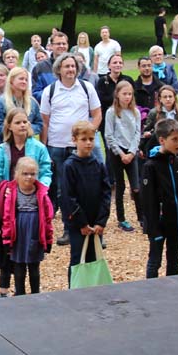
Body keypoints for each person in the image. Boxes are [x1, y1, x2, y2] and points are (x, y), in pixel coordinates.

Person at [0, 107, 52, 296]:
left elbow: (46, 171)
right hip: (10, 201)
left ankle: (31, 290)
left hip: (33, 198)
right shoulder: (3, 149)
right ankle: (6, 288)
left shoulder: (38, 148)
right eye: (18, 122)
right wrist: (4, 191)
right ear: (9, 126)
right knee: (8, 245)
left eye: (25, 121)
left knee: (31, 247)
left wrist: (42, 188)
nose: (22, 125)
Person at [40, 52, 102, 244]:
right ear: (59, 69)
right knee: (63, 190)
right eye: (66, 66)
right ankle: (69, 229)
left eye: (73, 66)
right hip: (57, 145)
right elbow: (45, 121)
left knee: (89, 188)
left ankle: (95, 229)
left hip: (82, 148)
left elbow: (97, 114)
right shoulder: (50, 91)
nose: (70, 69)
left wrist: (89, 134)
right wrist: (44, 146)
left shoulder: (86, 87)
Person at [59, 121, 112, 284]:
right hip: (78, 225)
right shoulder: (69, 166)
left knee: (94, 258)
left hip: (95, 222)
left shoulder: (98, 164)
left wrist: (101, 221)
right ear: (74, 140)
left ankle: (93, 289)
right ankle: (75, 290)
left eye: (91, 139)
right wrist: (81, 223)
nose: (88, 143)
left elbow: (106, 193)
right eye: (84, 139)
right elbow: (68, 197)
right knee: (78, 259)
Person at [141, 118, 178, 277]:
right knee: (155, 260)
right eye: (174, 139)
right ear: (162, 140)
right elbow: (147, 200)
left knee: (174, 260)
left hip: (176, 222)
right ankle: (151, 288)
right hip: (159, 223)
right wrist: (152, 226)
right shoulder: (151, 166)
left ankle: (172, 288)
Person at [0, 156, 54, 295]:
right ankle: (20, 294)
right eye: (25, 173)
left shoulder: (41, 193)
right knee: (19, 266)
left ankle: (35, 293)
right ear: (17, 174)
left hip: (35, 232)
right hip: (18, 234)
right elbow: (7, 217)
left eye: (32, 174)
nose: (29, 177)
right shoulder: (12, 193)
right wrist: (6, 238)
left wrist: (48, 238)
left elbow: (47, 217)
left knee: (34, 266)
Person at [105, 80, 143, 232]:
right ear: (117, 95)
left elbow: (137, 133)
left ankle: (142, 217)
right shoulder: (111, 112)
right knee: (120, 186)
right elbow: (109, 135)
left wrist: (132, 152)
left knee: (136, 186)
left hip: (131, 151)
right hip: (117, 152)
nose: (127, 97)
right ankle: (121, 218)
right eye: (124, 94)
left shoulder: (135, 112)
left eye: (130, 94)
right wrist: (121, 153)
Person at [0, 66, 42, 140]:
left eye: (26, 80)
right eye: (21, 79)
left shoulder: (32, 102)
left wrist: (27, 128)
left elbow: (39, 124)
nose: (24, 82)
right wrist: (15, 129)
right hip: (8, 143)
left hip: (28, 143)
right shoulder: (1, 102)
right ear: (11, 80)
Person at [141, 84, 178, 154]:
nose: (168, 99)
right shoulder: (154, 113)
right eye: (165, 97)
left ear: (174, 98)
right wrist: (147, 133)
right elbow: (147, 129)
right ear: (160, 99)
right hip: (158, 146)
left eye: (170, 96)